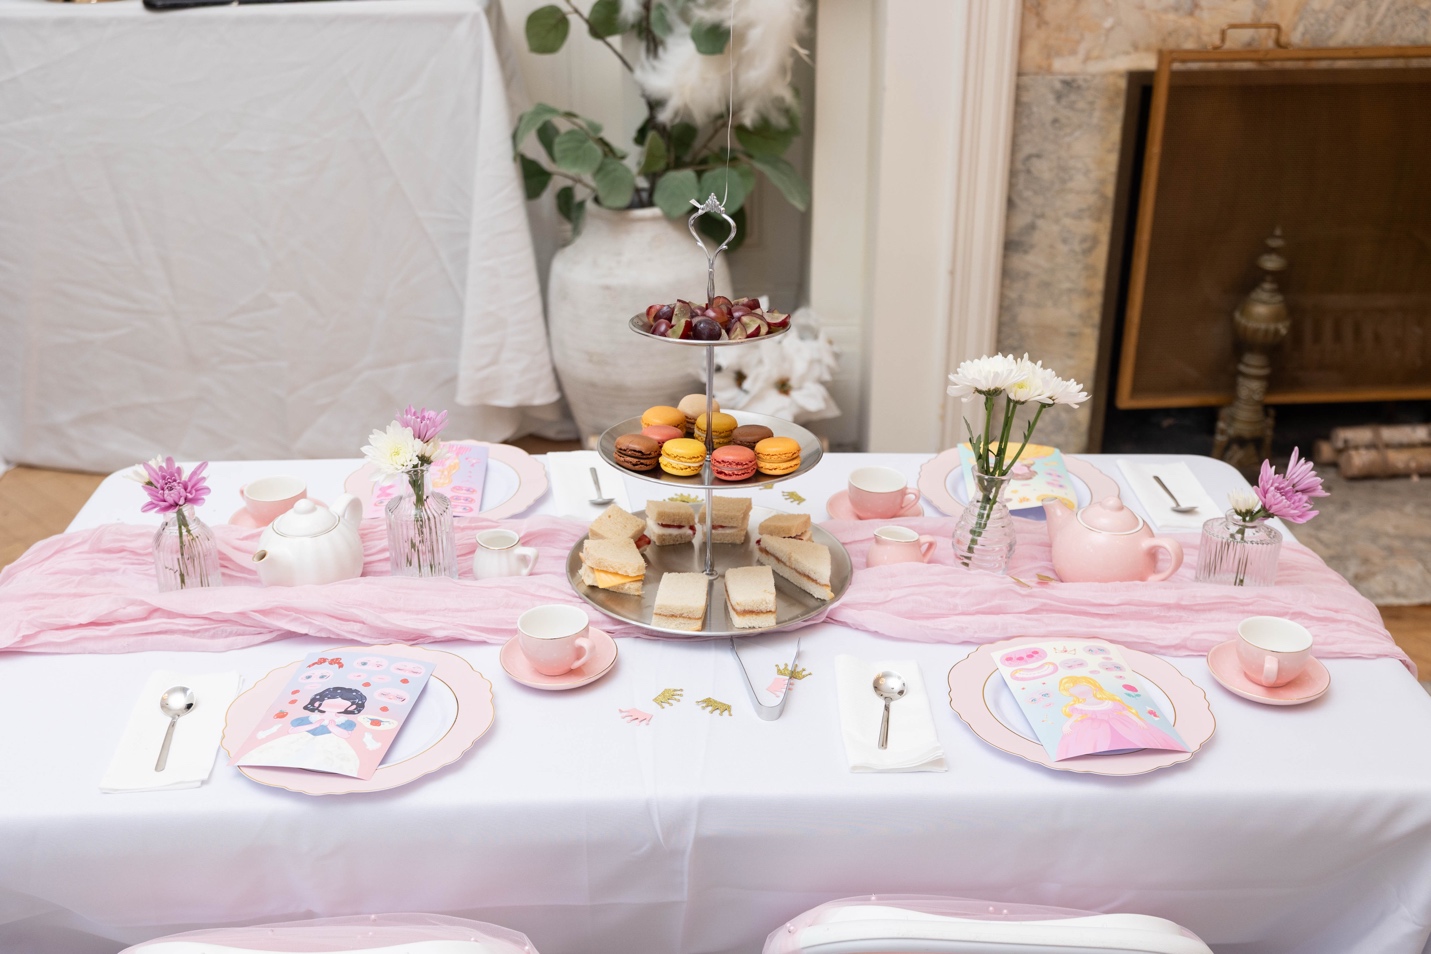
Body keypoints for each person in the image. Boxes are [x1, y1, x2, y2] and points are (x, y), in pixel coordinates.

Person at [238, 686, 367, 776]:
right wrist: (312, 726)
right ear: (317, 703)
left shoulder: (344, 722)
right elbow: (293, 730)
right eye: (330, 702)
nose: (334, 706)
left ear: (352, 707)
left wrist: (334, 728)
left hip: (331, 743)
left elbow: (345, 735)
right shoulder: (310, 718)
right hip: (301, 739)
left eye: (341, 705)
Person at [1055, 675, 1184, 760]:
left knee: (1137, 737)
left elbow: (1125, 712)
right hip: (1091, 729)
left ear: (1093, 687)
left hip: (1121, 724)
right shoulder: (1079, 705)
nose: (1080, 691)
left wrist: (1138, 720)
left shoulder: (1111, 702)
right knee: (1091, 743)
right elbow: (1076, 716)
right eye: (1074, 690)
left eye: (1083, 687)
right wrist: (1066, 725)